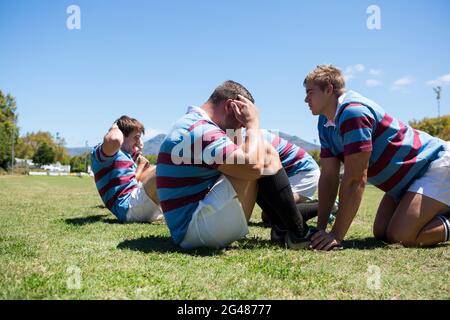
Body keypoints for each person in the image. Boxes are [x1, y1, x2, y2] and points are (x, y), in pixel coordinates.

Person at [303, 64, 450, 250]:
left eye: (310, 92)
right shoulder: (325, 121)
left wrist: (336, 235)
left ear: (329, 90)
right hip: (406, 180)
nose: (306, 99)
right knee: (381, 232)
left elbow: (355, 179)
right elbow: (329, 177)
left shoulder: (353, 113)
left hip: (435, 164)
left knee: (401, 235)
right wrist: (320, 229)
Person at [156, 80, 316, 249]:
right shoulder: (200, 130)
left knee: (250, 155)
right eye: (240, 121)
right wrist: (252, 124)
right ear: (231, 107)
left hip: (190, 228)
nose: (240, 127)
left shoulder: (192, 124)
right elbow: (253, 167)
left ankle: (284, 229)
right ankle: (300, 235)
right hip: (196, 231)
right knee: (264, 154)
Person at [91, 115, 163, 223]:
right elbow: (114, 139)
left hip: (137, 205)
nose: (139, 142)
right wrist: (115, 126)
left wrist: (141, 165)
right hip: (128, 206)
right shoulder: (106, 153)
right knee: (166, 168)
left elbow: (135, 180)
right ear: (122, 136)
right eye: (136, 137)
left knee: (162, 168)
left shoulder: (127, 156)